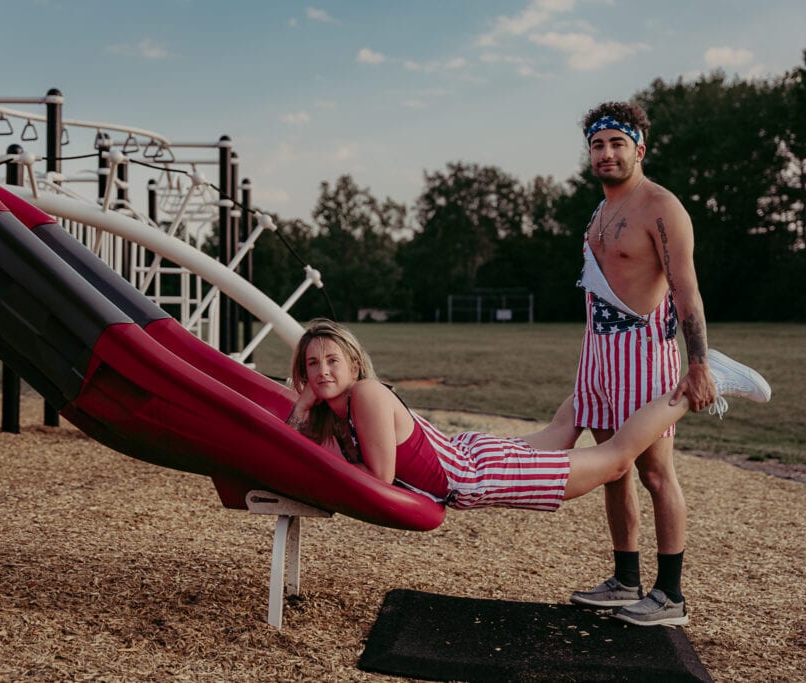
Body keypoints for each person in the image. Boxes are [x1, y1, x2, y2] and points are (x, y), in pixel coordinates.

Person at [285, 320, 771, 623]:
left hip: (476, 473)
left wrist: (309, 408)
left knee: (618, 459)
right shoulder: (338, 410)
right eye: (312, 364)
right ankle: (599, 379)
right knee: (565, 428)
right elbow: (301, 444)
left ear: (354, 363)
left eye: (332, 360)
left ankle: (703, 383)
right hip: (467, 458)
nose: (323, 370)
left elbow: (382, 478)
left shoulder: (366, 395)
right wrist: (305, 404)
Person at [559, 100, 748, 627]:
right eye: (597, 144)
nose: (606, 153)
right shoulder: (599, 211)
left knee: (655, 472)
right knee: (609, 470)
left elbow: (687, 291)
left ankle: (670, 596)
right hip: (598, 352)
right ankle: (625, 581)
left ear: (639, 149)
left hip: (646, 354)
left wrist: (699, 364)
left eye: (617, 143)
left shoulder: (662, 207)